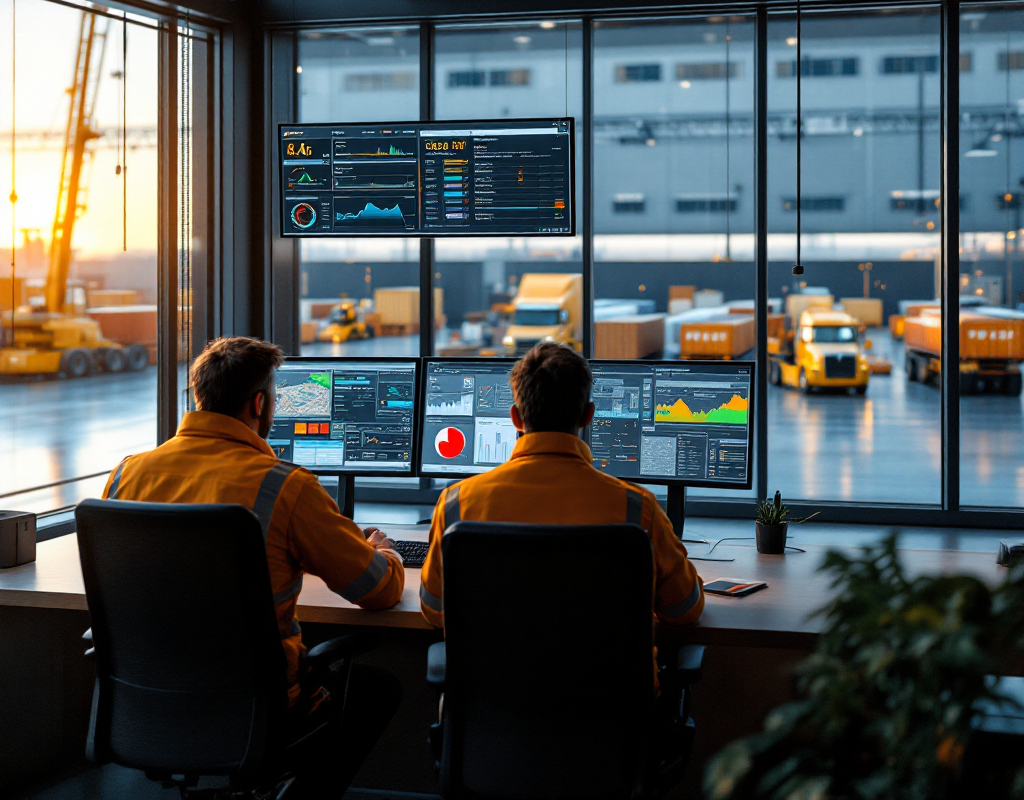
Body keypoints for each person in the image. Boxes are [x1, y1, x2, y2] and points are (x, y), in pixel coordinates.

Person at [102, 336, 404, 797]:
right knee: (377, 689)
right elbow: (377, 590)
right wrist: (388, 553)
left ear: (200, 396)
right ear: (259, 403)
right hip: (257, 710)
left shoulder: (128, 473)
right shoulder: (285, 487)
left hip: (147, 699)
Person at [419, 342, 704, 630]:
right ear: (588, 416)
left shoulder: (456, 503)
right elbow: (684, 610)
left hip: (494, 675)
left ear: (515, 418)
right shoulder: (638, 509)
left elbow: (434, 610)